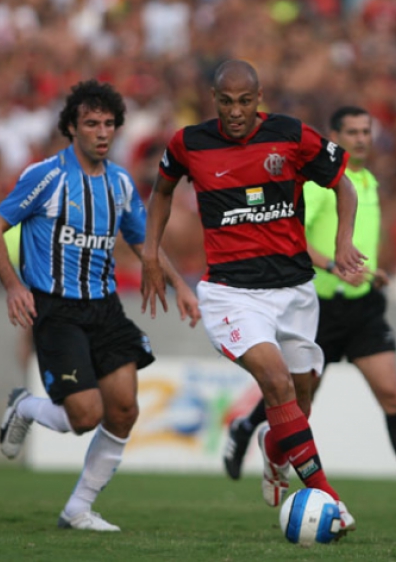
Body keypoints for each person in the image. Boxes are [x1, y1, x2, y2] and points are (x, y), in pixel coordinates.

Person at [140, 60, 365, 536]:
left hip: (295, 290)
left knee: (300, 399)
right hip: (231, 294)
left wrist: (343, 242)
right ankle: (329, 496)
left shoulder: (292, 136)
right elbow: (161, 194)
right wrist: (150, 253)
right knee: (276, 380)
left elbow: (344, 186)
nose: (236, 111)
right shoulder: (188, 143)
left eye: (245, 101)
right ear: (214, 99)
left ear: (258, 97)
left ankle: (273, 449)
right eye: (226, 102)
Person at [0, 80, 199, 532]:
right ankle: (23, 408)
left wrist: (181, 286)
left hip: (104, 308)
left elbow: (143, 240)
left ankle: (78, 508)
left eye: (108, 124)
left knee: (123, 409)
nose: (101, 132)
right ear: (72, 129)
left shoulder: (119, 182)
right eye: (91, 124)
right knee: (84, 416)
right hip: (56, 310)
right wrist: (14, 286)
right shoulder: (45, 177)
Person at [221, 106, 396, 518]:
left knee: (393, 393)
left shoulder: (367, 182)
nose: (362, 139)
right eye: (352, 132)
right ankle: (246, 427)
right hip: (319, 310)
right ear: (334, 136)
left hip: (363, 307)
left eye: (367, 131)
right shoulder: (316, 186)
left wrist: (370, 272)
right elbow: (292, 240)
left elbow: (356, 241)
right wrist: (335, 267)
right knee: (295, 399)